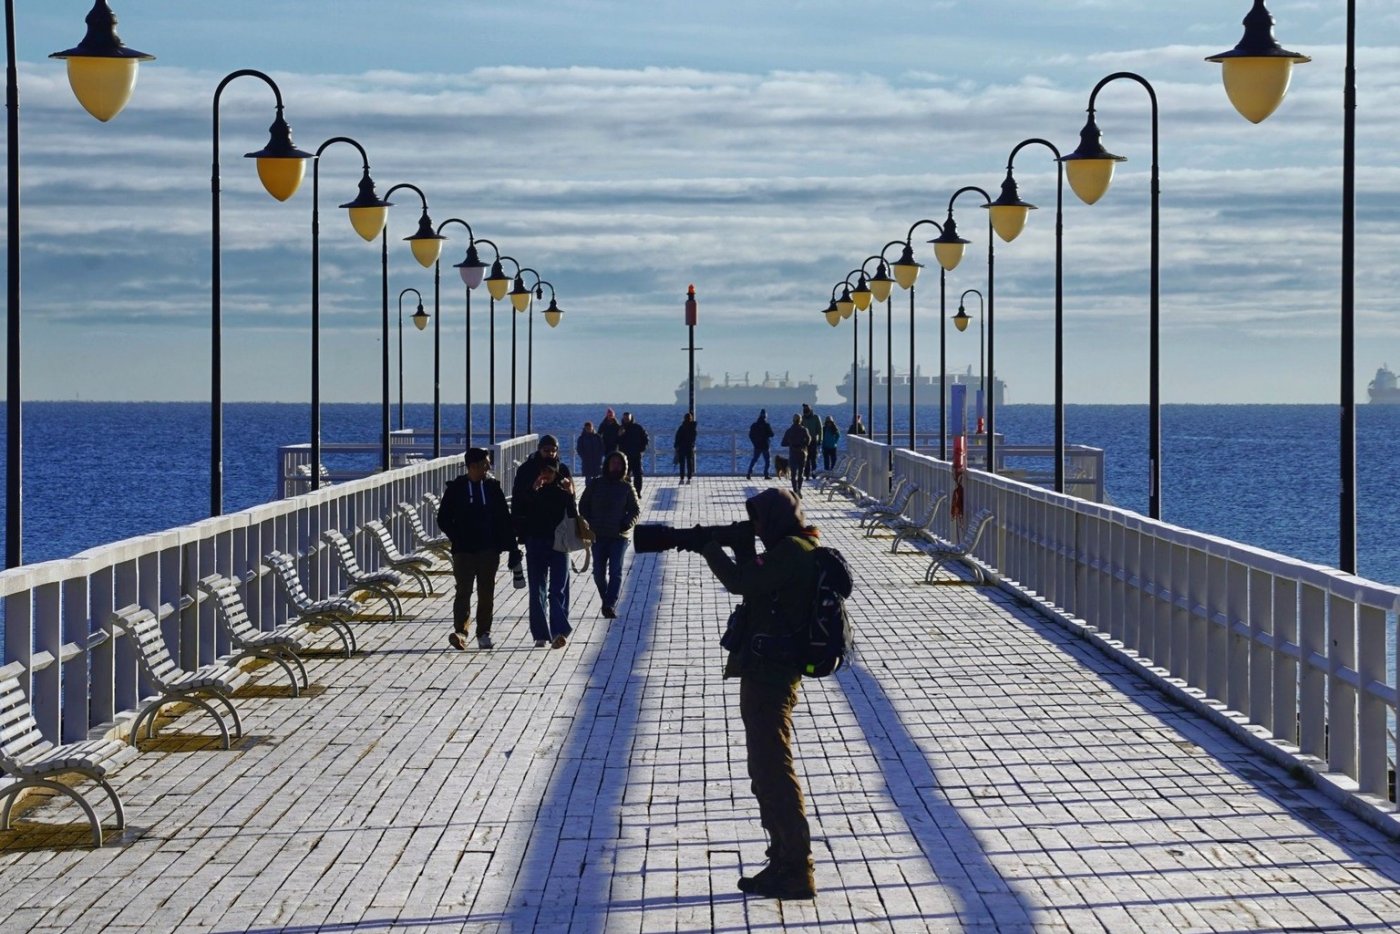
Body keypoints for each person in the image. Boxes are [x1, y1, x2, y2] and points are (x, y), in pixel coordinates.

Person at [699, 487, 821, 901]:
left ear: (776, 518)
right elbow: (759, 584)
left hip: (772, 678)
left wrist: (709, 548)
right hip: (768, 672)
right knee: (765, 770)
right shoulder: (796, 547)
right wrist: (744, 545)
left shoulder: (791, 551)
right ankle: (782, 860)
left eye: (758, 520)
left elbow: (740, 581)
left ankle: (796, 868)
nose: (755, 526)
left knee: (773, 772)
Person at [435, 448, 518, 650]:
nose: (488, 467)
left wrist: (511, 547)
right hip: (463, 550)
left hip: (488, 549)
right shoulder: (456, 489)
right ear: (472, 466)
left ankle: (484, 633)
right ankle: (460, 632)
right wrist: (457, 536)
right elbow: (443, 518)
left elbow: (504, 519)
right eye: (485, 464)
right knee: (463, 591)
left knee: (486, 592)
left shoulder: (492, 488)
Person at [511, 456, 577, 649]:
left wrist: (571, 493)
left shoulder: (562, 493)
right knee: (537, 589)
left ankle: (559, 632)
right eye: (543, 472)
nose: (545, 475)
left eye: (549, 472)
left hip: (560, 545)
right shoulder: (531, 491)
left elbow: (573, 515)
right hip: (536, 542)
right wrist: (532, 490)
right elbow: (521, 509)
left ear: (556, 473)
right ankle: (540, 633)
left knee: (557, 590)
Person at [579, 451, 640, 618]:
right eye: (613, 462)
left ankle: (609, 603)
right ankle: (606, 599)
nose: (616, 466)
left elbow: (635, 510)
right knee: (598, 572)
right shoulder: (596, 484)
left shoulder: (627, 487)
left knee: (615, 571)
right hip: (597, 535)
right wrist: (588, 522)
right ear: (607, 464)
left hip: (618, 536)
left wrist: (627, 522)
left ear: (624, 467)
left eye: (619, 464)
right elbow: (583, 504)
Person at [512, 434, 573, 505]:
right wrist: (534, 489)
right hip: (532, 512)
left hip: (556, 512)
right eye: (546, 450)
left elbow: (570, 499)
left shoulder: (562, 469)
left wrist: (570, 490)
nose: (550, 453)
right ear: (539, 449)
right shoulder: (527, 468)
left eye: (554, 450)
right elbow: (518, 496)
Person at [618, 411, 650, 496]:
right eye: (625, 418)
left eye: (628, 418)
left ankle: (638, 491)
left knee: (638, 475)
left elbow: (645, 438)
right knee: (624, 475)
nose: (626, 420)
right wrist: (619, 435)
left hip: (636, 455)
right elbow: (616, 441)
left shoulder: (637, 427)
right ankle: (626, 493)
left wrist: (642, 449)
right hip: (624, 456)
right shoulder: (621, 428)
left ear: (631, 418)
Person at [781, 414, 810, 497]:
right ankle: (799, 490)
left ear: (793, 420)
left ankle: (795, 490)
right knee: (801, 473)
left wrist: (790, 443)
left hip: (793, 454)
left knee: (793, 474)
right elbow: (809, 440)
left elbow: (783, 443)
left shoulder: (789, 431)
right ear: (800, 420)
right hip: (802, 453)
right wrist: (804, 445)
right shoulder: (804, 430)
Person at [747, 409, 774, 480]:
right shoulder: (767, 425)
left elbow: (750, 435)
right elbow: (772, 434)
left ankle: (749, 473)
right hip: (765, 445)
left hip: (757, 445)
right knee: (767, 461)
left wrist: (754, 442)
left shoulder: (754, 425)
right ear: (765, 416)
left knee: (754, 459)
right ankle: (766, 474)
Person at [674, 412, 698, 484]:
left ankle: (682, 479)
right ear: (691, 419)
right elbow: (694, 438)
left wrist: (676, 446)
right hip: (689, 447)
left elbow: (677, 437)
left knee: (682, 463)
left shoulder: (682, 427)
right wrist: (692, 445)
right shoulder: (693, 428)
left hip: (682, 447)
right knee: (689, 463)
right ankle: (689, 479)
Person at [799, 405, 822, 479]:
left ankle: (814, 474)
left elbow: (820, 429)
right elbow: (800, 429)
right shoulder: (802, 418)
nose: (806, 414)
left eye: (807, 412)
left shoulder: (816, 417)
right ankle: (807, 475)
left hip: (814, 441)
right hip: (805, 442)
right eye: (804, 412)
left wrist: (820, 440)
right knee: (806, 459)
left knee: (813, 459)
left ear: (810, 411)